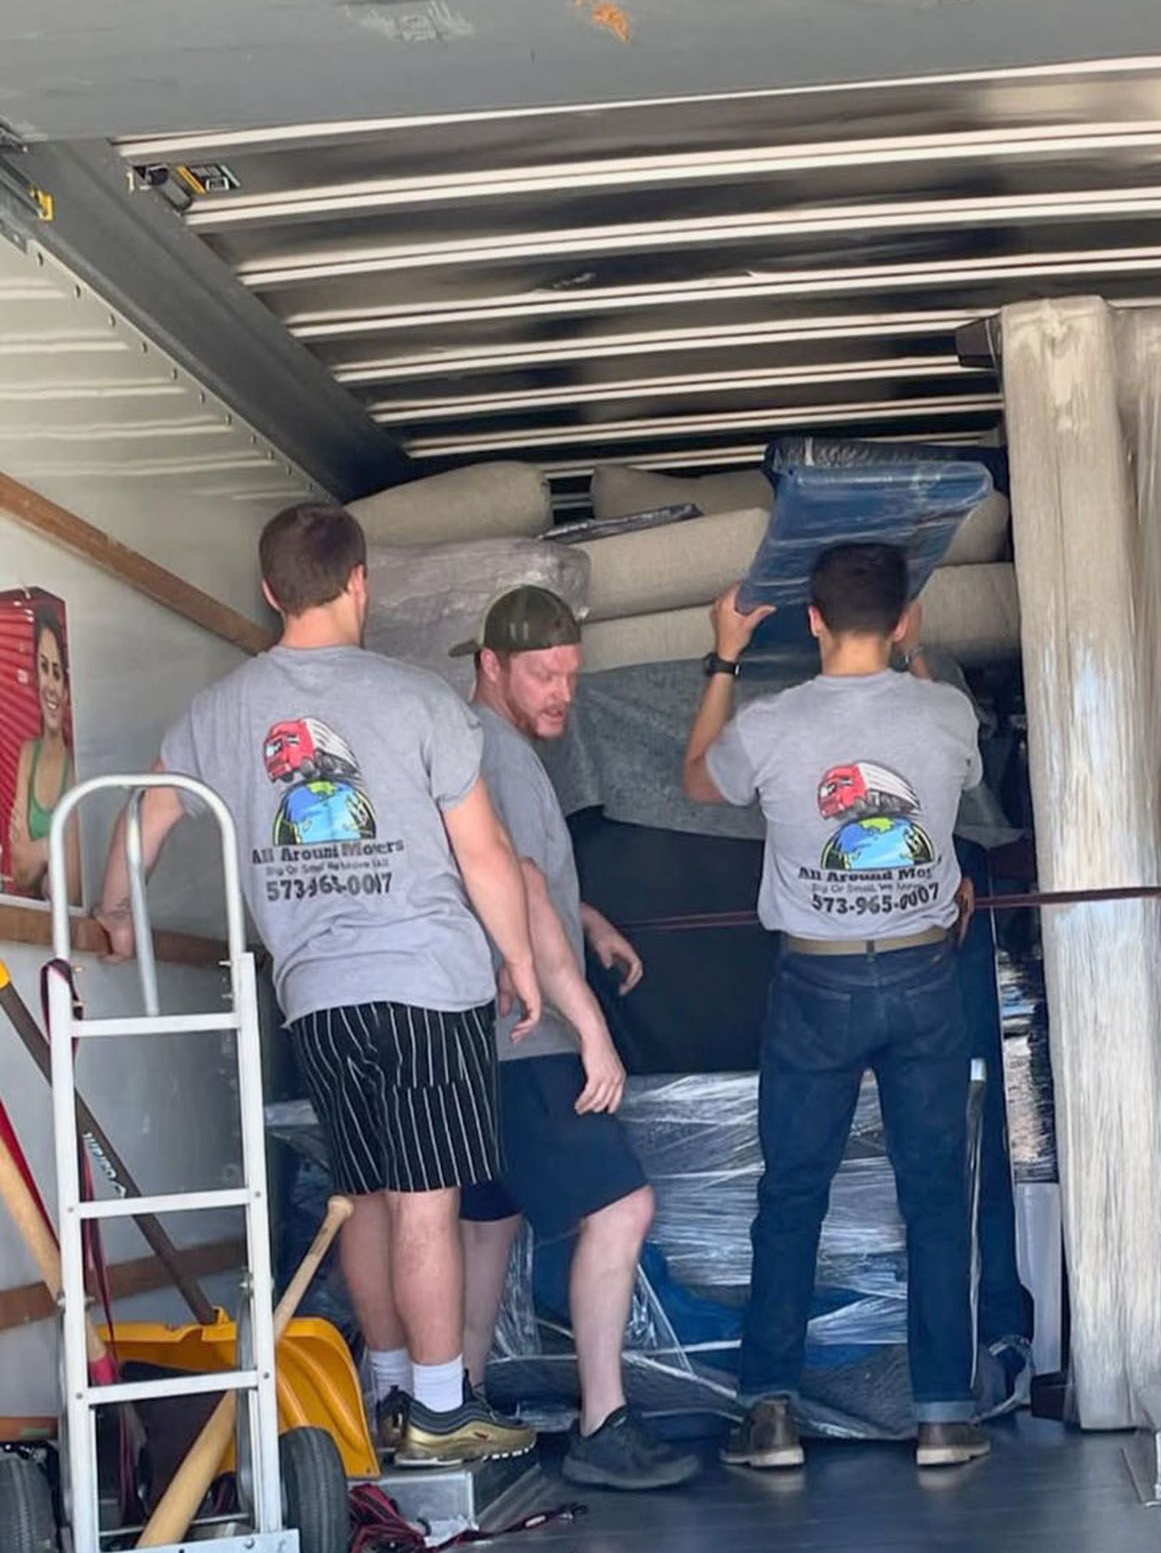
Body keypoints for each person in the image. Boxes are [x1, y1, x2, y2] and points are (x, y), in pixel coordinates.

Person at [97, 502, 543, 1467]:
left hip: (317, 993)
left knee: (368, 1198)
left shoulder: (219, 710)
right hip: (426, 983)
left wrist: (116, 910)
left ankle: (384, 1394)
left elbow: (148, 814)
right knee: (428, 1200)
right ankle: (436, 1410)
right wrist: (519, 959)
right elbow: (487, 853)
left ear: (268, 592)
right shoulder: (418, 699)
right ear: (360, 582)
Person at [683, 543, 991, 1472]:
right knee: (935, 1199)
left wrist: (725, 657)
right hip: (923, 979)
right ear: (903, 623)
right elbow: (961, 774)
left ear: (811, 620)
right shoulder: (944, 713)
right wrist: (923, 662)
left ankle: (769, 1416)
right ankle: (943, 1415)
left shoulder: (771, 726)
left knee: (791, 1196)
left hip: (815, 983)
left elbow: (700, 777)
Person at [452, 582, 700, 1490]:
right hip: (525, 1031)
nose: (561, 690)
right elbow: (511, 878)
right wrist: (590, 1026)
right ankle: (603, 1422)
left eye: (569, 675)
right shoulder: (498, 756)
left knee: (486, 1222)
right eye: (541, 673)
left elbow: (502, 875)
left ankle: (459, 1408)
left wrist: (583, 914)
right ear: (490, 666)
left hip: (475, 1029)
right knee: (622, 1207)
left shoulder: (482, 748)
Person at [8, 603, 80, 904]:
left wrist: (33, 849)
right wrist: (54, 847)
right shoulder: (28, 754)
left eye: (57, 672)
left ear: (67, 688)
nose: (50, 686)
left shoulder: (79, 767)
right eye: (43, 668)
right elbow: (20, 872)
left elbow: (71, 889)